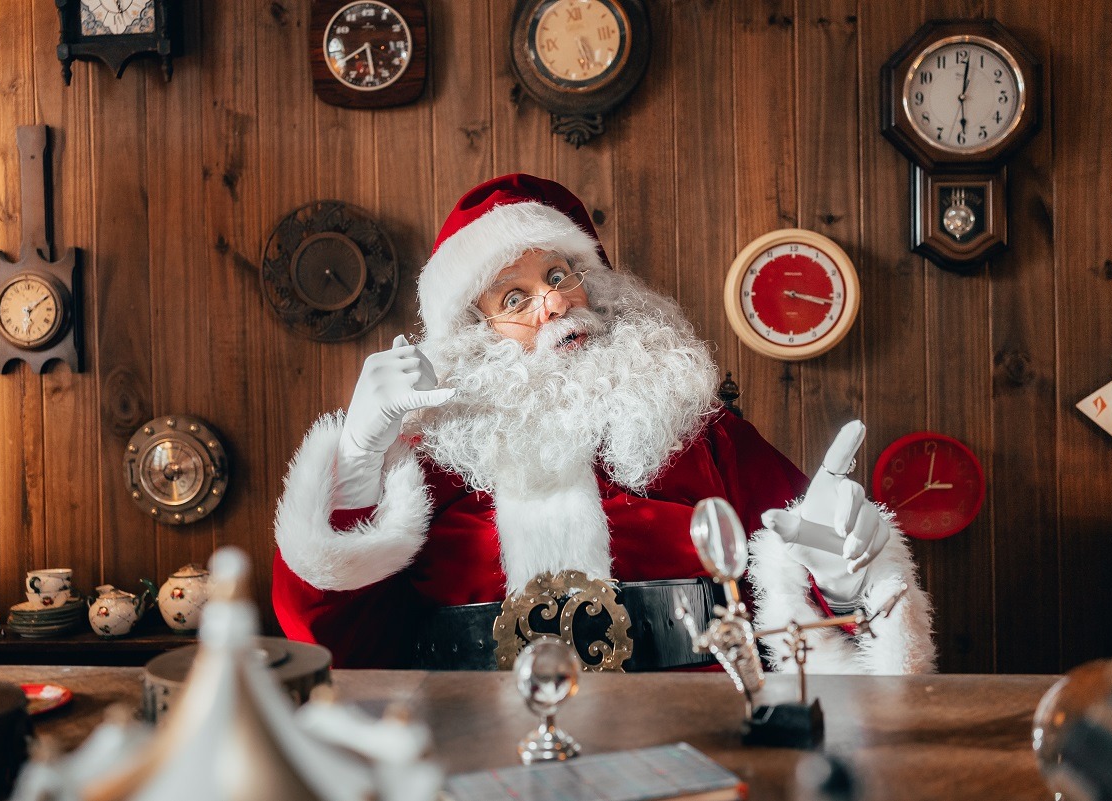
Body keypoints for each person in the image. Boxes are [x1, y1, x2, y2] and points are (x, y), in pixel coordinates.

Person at [273, 173, 935, 673]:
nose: (556, 300)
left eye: (560, 274)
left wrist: (847, 582)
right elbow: (341, 646)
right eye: (515, 297)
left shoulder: (699, 430)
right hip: (478, 748)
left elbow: (805, 592)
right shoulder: (432, 462)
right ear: (477, 332)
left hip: (692, 737)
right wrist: (359, 457)